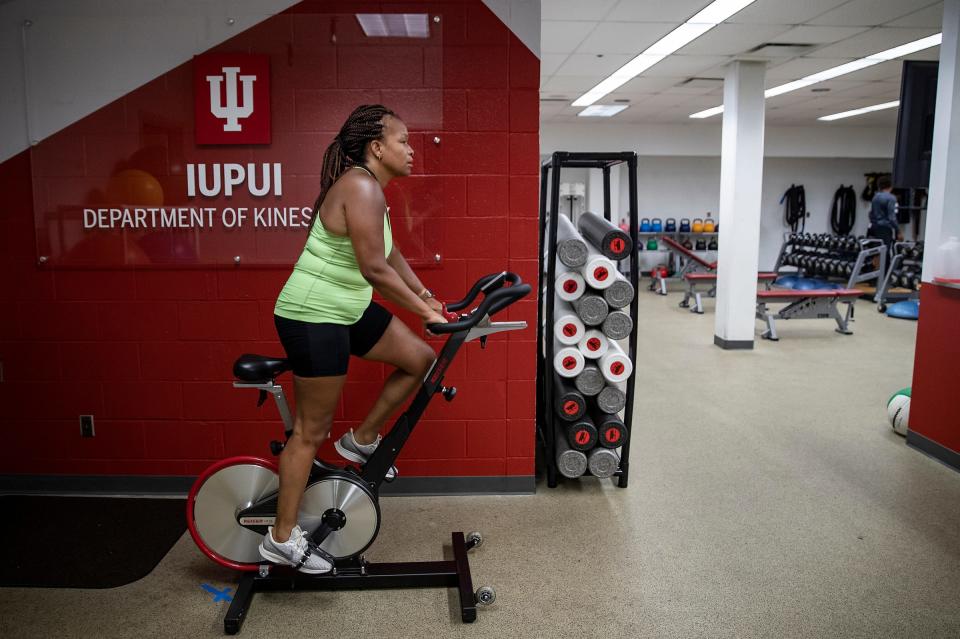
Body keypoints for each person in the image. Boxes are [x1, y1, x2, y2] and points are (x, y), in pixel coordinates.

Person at [259, 105, 447, 573]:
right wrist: (423, 311)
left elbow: (390, 252)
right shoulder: (361, 185)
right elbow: (374, 269)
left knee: (419, 357)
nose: (411, 150)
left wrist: (428, 296)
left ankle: (361, 440)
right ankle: (280, 539)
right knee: (309, 431)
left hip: (346, 310)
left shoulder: (372, 190)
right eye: (403, 141)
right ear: (376, 147)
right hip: (313, 314)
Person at [867, 175, 902, 248]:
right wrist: (898, 231)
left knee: (874, 252)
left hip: (873, 227)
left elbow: (871, 214)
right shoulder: (891, 198)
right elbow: (892, 217)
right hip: (884, 229)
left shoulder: (875, 197)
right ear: (891, 185)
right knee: (884, 253)